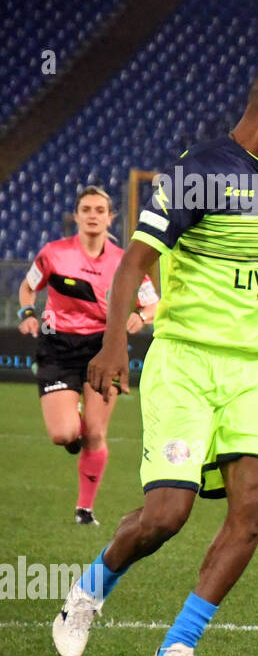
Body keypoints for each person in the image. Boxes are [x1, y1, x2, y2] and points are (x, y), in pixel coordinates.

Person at [53, 61, 258, 656]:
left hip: (252, 372)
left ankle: (176, 650)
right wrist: (113, 343)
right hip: (186, 363)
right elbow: (133, 265)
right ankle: (89, 592)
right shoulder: (195, 174)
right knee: (167, 516)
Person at [18, 186, 158, 525]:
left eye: (100, 210)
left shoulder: (124, 262)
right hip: (57, 348)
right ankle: (73, 414)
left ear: (110, 218)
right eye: (87, 209)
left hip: (103, 348)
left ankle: (85, 510)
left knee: (95, 433)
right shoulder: (53, 253)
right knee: (64, 435)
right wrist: (28, 312)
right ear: (77, 216)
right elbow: (27, 287)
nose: (93, 215)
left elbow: (152, 302)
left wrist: (142, 316)